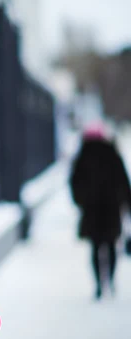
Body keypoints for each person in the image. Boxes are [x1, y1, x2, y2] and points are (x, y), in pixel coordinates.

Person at [70, 122, 131, 300]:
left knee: (96, 247)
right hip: (112, 209)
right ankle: (109, 281)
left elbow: (74, 183)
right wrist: (126, 203)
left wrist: (81, 201)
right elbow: (123, 181)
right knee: (111, 245)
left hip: (91, 210)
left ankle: (98, 284)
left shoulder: (83, 156)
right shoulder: (113, 154)